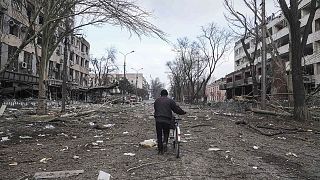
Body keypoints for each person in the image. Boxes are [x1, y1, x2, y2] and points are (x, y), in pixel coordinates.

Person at [154, 89, 186, 155]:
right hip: (167, 119)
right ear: (167, 94)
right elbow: (176, 109)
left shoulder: (156, 101)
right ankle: (165, 142)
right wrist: (183, 112)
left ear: (161, 94)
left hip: (158, 120)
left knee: (159, 134)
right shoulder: (170, 101)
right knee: (166, 132)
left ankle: (160, 150)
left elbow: (156, 109)